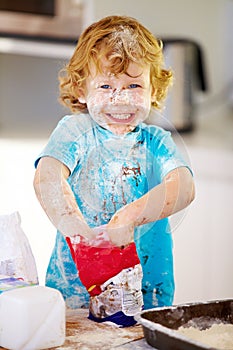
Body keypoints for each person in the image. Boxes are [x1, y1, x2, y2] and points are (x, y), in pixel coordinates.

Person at [33, 15, 195, 312]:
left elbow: (183, 187)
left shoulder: (156, 142)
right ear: (81, 90)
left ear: (153, 91)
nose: (120, 99)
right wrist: (77, 230)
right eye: (106, 86)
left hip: (147, 292)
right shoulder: (75, 132)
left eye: (134, 86)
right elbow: (47, 177)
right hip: (77, 293)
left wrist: (129, 217)